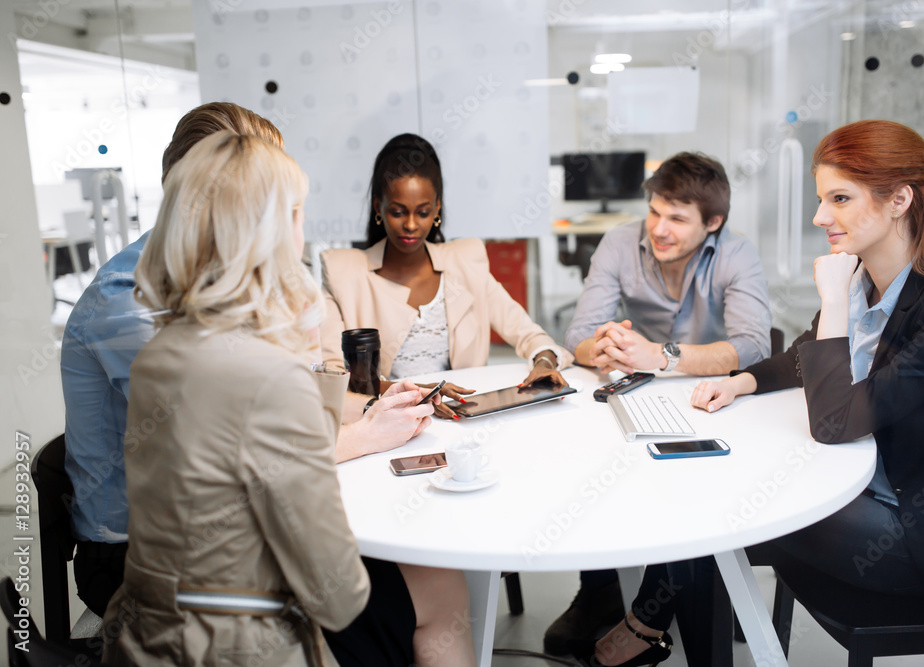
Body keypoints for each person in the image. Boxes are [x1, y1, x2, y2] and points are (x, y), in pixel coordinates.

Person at [588, 119, 924, 667]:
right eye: (821, 198)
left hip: (920, 536)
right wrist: (743, 381)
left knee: (711, 508)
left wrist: (833, 301)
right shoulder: (871, 277)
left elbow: (834, 422)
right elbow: (806, 353)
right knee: (705, 500)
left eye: (840, 199)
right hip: (875, 482)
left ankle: (645, 629)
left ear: (900, 199)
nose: (819, 217)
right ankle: (652, 630)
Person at [103, 131, 475, 667]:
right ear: (272, 232)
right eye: (298, 212)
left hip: (148, 632)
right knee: (443, 590)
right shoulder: (266, 376)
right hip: (238, 645)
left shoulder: (160, 354)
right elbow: (339, 594)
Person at [61, 103, 432, 618]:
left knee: (424, 582)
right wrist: (366, 435)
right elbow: (241, 458)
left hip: (217, 532)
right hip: (144, 558)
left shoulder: (218, 282)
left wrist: (370, 406)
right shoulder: (130, 304)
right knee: (412, 596)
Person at [547, 152, 772, 656]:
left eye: (677, 218)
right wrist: (601, 345)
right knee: (592, 460)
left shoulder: (736, 255)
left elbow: (755, 345)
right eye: (654, 211)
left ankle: (650, 621)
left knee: (693, 497)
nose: (658, 229)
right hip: (640, 396)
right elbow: (579, 337)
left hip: (711, 401)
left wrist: (662, 356)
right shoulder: (620, 243)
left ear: (712, 223)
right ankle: (600, 592)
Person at [320, 133, 573, 418]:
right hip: (386, 422)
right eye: (398, 212)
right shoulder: (343, 272)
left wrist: (544, 362)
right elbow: (331, 377)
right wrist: (416, 393)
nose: (412, 225)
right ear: (379, 207)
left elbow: (529, 334)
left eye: (423, 212)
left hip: (465, 419)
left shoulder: (467, 262)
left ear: (437, 208)